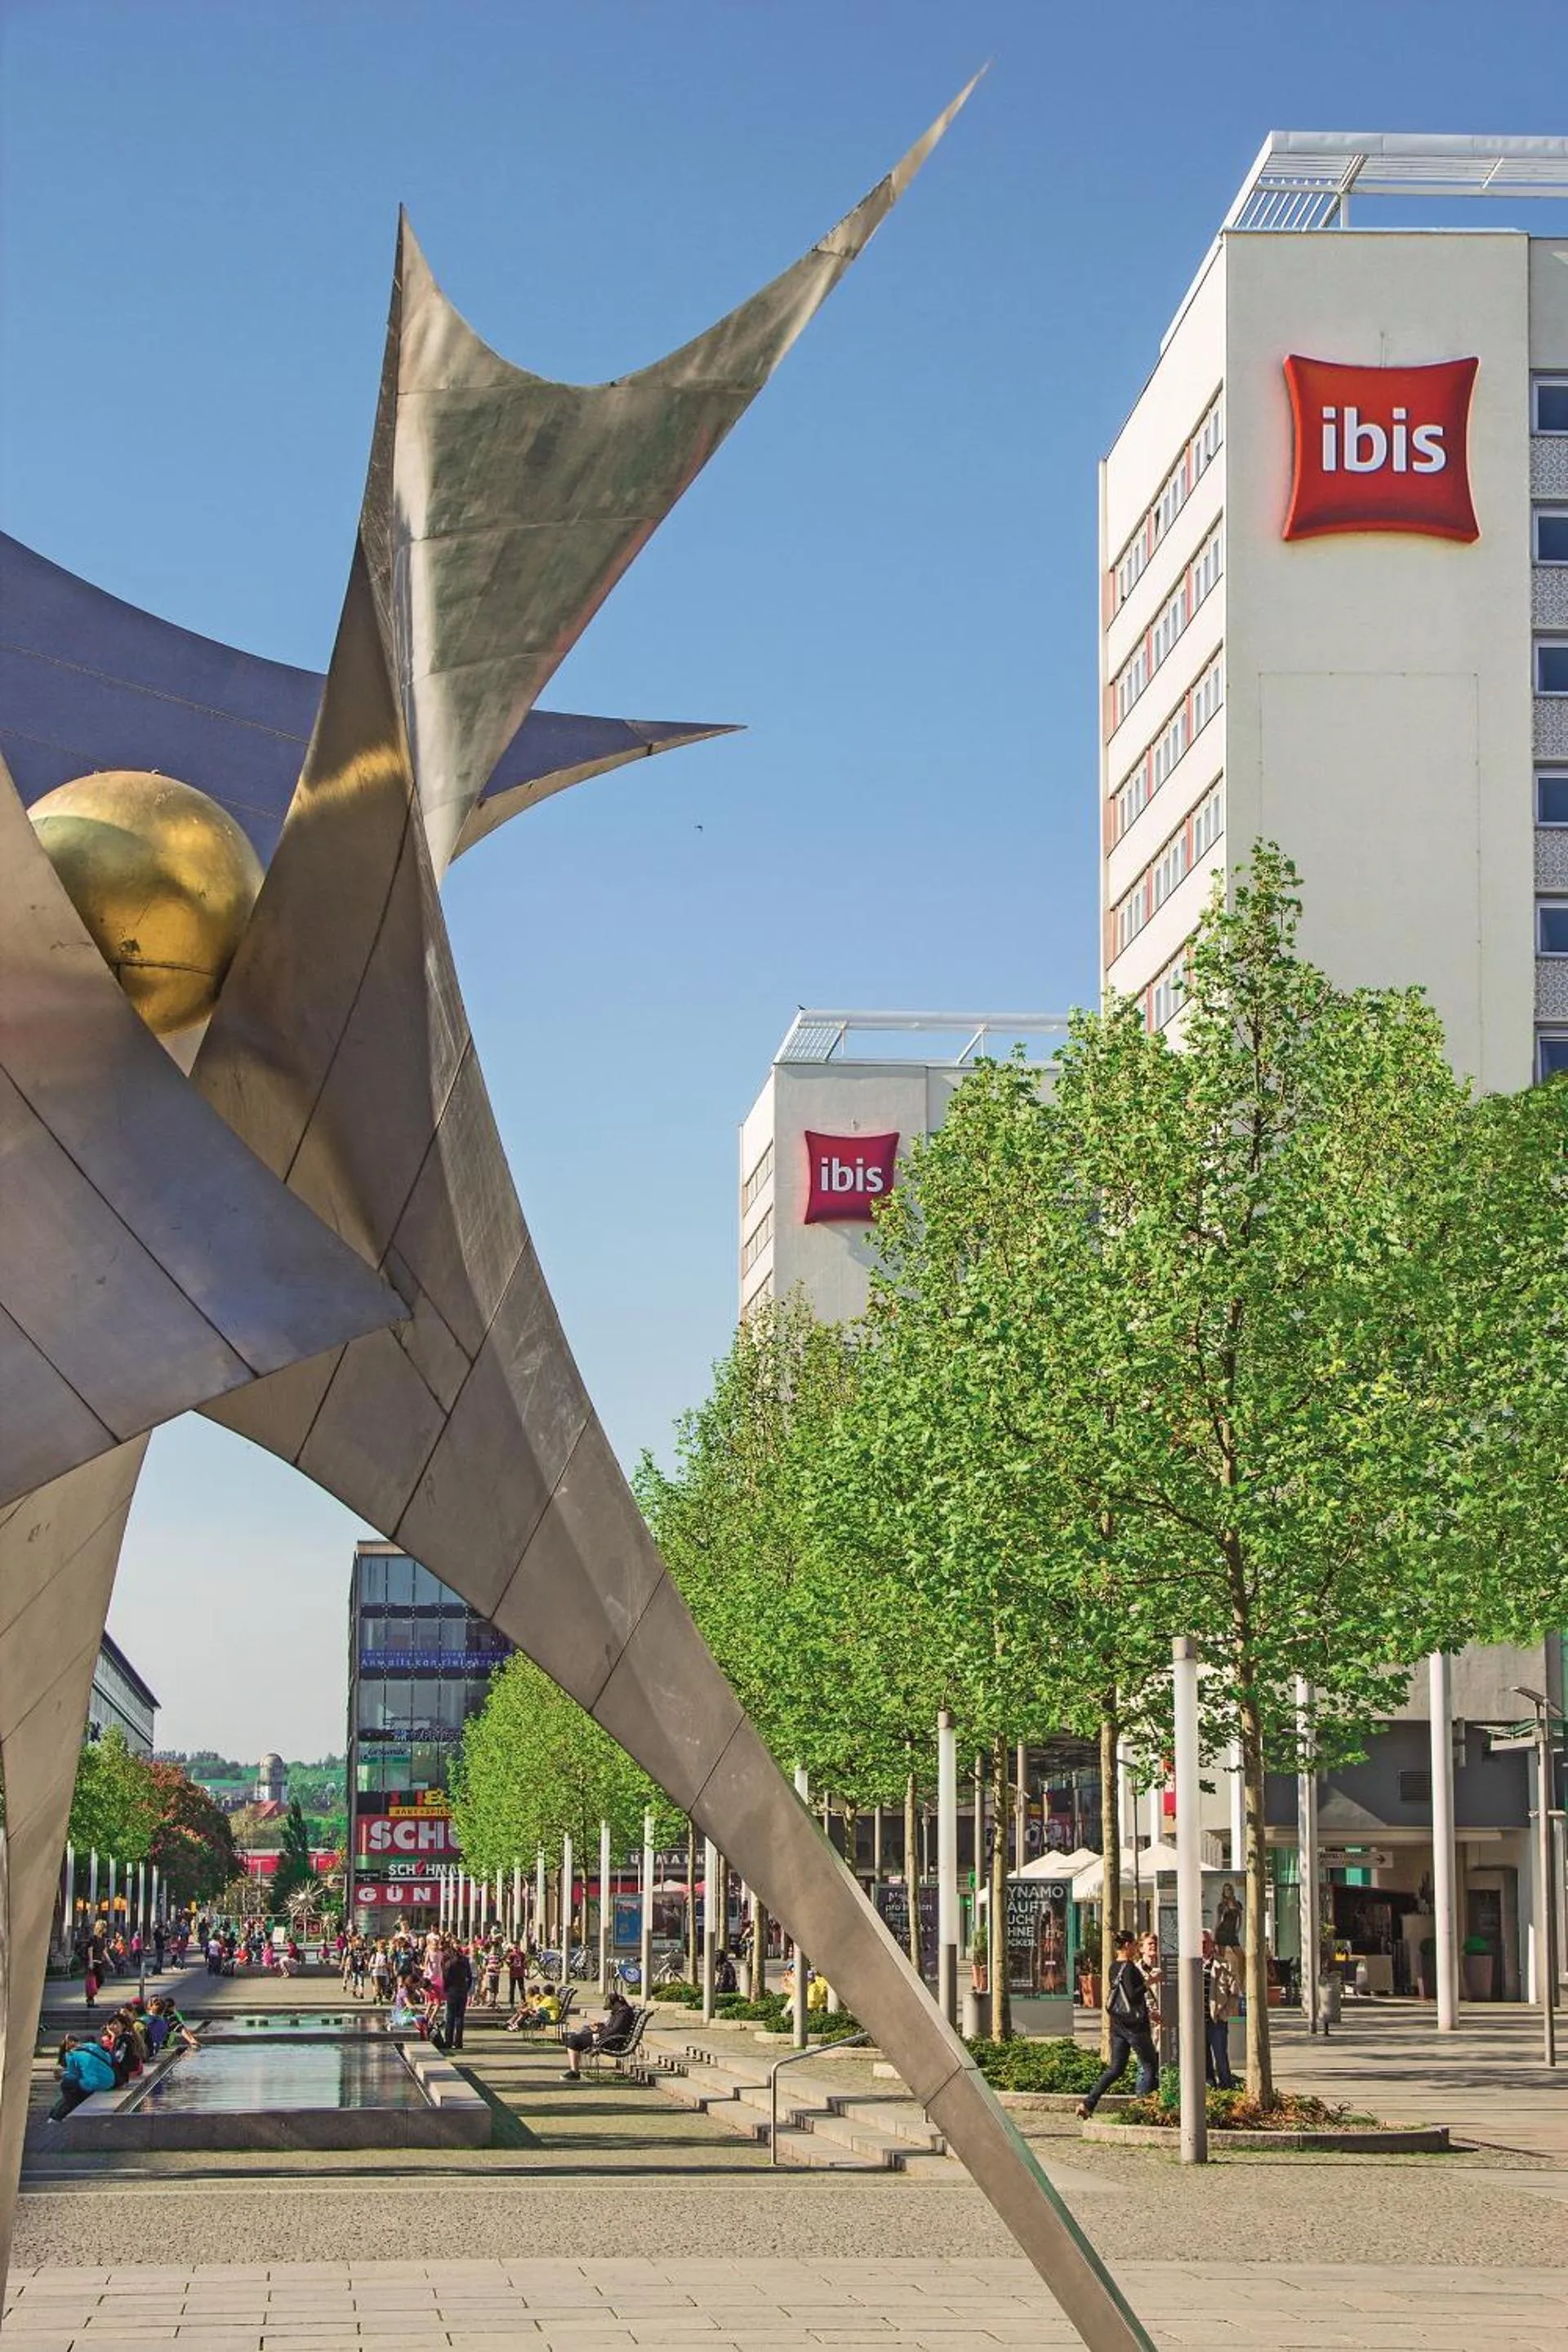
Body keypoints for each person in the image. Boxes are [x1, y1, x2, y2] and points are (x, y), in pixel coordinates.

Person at [1076, 1931, 1160, 2118]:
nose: (1136, 1949)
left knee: (1116, 2069)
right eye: (1134, 1945)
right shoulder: (1129, 1967)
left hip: (1118, 2026)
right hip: (1135, 2027)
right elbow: (1133, 1995)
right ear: (1128, 1945)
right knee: (1150, 2065)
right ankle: (1145, 2111)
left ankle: (1089, 2102)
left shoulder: (1113, 1967)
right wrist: (1150, 1982)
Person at [561, 1989, 635, 2080]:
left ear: (616, 2003)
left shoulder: (623, 2014)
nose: (611, 2010)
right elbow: (612, 2028)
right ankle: (574, 2071)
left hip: (611, 2042)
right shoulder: (621, 2011)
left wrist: (599, 2032)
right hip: (607, 2038)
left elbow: (614, 2031)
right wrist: (600, 2026)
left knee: (573, 2041)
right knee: (580, 2033)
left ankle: (575, 2072)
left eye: (611, 2007)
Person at [1202, 1931, 1240, 2090]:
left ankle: (1226, 2087)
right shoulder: (1191, 1966)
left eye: (1205, 1942)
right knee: (1204, 2058)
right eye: (1199, 1943)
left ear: (1212, 1944)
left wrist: (1224, 2014)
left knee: (1221, 2057)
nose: (1202, 1946)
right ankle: (1209, 2085)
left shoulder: (1224, 1965)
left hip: (1216, 2020)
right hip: (1197, 2022)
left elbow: (1235, 1993)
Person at [50, 2034, 118, 2120]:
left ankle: (69, 2105)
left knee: (66, 2084)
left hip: (93, 2084)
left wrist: (62, 2075)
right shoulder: (93, 2046)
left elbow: (74, 2075)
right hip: (110, 2080)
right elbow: (109, 2060)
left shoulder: (71, 2054)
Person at [442, 1938, 473, 2050]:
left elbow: (445, 1976)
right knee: (460, 2017)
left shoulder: (449, 1962)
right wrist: (467, 1988)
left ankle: (448, 2041)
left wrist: (446, 1988)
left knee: (450, 2017)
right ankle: (458, 2042)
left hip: (452, 1990)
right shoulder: (465, 1960)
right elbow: (470, 1977)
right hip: (462, 1990)